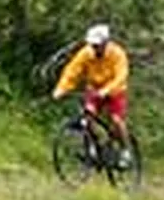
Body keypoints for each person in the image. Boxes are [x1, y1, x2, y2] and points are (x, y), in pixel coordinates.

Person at [52, 22, 131, 160]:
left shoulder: (117, 54)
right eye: (93, 45)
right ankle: (93, 146)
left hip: (115, 91)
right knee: (88, 116)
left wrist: (107, 90)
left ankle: (125, 150)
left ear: (105, 43)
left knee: (116, 120)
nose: (95, 48)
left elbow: (121, 75)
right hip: (94, 89)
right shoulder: (86, 53)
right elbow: (72, 72)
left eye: (97, 45)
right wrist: (61, 88)